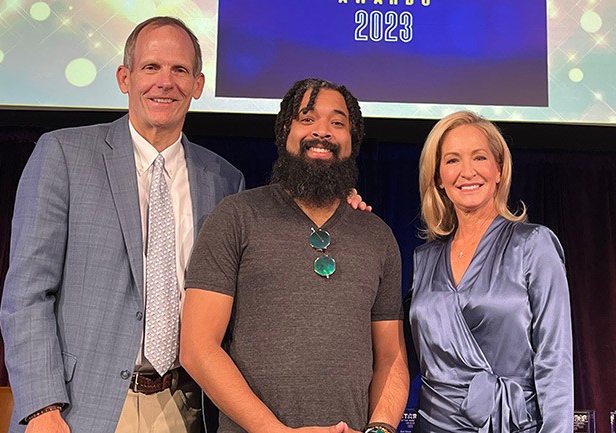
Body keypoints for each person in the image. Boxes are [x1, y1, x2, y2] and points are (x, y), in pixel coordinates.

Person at [0, 16, 245, 433]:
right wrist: (42, 408)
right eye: (151, 67)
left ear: (198, 85)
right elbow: (27, 292)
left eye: (179, 70)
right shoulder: (63, 153)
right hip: (78, 411)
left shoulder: (224, 180)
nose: (165, 82)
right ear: (124, 77)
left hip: (188, 409)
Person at [179, 78, 409, 433]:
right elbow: (197, 347)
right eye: (307, 118)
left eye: (338, 123)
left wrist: (379, 429)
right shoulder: (237, 216)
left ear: (353, 139)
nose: (323, 132)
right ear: (285, 131)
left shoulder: (376, 235)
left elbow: (391, 358)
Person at [407, 111, 573, 432]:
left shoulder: (534, 245)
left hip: (510, 424)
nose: (467, 172)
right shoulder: (424, 260)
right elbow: (398, 355)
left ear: (499, 169)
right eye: (452, 161)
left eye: (479, 157)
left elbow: (555, 358)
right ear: (439, 177)